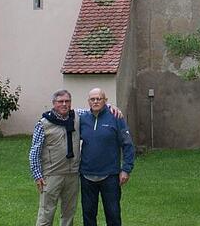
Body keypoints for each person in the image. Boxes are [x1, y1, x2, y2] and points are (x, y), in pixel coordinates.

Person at [29, 89, 122, 226]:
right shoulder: (43, 124)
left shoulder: (77, 117)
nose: (64, 104)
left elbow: (95, 107)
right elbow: (34, 151)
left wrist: (110, 107)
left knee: (68, 214)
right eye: (60, 101)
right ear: (54, 103)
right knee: (46, 213)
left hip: (72, 174)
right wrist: (37, 175)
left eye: (67, 101)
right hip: (51, 175)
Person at [79, 88, 135, 226]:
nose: (96, 101)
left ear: (105, 100)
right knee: (88, 215)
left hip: (110, 176)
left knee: (113, 215)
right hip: (87, 175)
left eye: (99, 98)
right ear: (88, 101)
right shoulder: (82, 119)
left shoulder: (116, 117)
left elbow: (127, 144)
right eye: (92, 99)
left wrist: (126, 169)